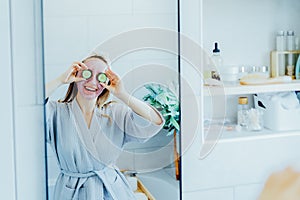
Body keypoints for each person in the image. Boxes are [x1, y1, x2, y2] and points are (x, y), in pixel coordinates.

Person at [45, 54, 164, 199]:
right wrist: (60, 80)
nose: (93, 82)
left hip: (111, 191)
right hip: (72, 193)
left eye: (101, 77)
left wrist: (122, 94)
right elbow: (26, 108)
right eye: (87, 74)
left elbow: (154, 121)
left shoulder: (115, 113)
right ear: (76, 76)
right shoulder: (56, 113)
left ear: (107, 82)